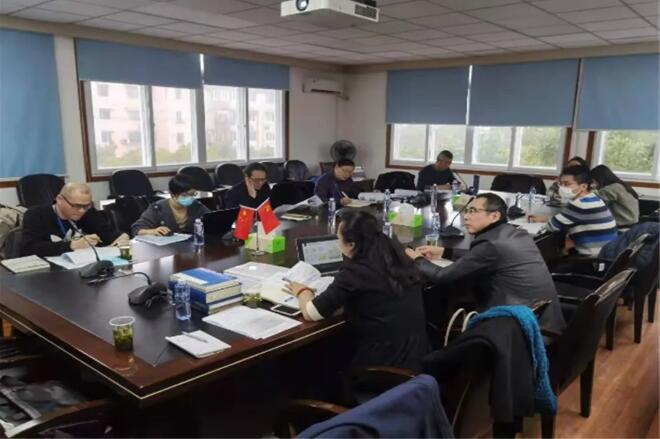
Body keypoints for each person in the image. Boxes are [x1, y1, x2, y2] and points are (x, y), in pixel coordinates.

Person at [285, 210, 429, 370]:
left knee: (319, 360)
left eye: (338, 238)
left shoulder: (354, 272)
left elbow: (311, 313)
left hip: (383, 368)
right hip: (416, 358)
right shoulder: (398, 257)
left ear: (351, 245)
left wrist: (303, 291)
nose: (337, 242)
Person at [405, 193, 565, 332]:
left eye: (473, 211)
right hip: (541, 319)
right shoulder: (514, 233)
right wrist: (445, 252)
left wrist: (416, 259)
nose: (466, 217)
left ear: (494, 216)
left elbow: (442, 276)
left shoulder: (491, 245)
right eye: (467, 211)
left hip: (518, 329)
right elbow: (481, 257)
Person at [21, 182, 128, 257]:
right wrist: (71, 245)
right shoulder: (36, 215)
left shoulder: (89, 212)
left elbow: (106, 234)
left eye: (86, 206)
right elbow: (29, 249)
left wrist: (121, 236)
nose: (82, 211)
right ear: (59, 200)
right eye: (76, 206)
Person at [529, 165, 618, 256]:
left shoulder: (579, 204)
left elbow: (551, 226)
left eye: (567, 184)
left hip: (591, 258)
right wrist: (546, 218)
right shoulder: (593, 197)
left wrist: (546, 220)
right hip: (607, 254)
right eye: (561, 183)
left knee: (546, 252)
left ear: (583, 186)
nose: (562, 187)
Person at [131, 175, 210, 236]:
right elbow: (136, 229)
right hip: (165, 249)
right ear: (172, 194)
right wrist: (152, 231)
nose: (190, 198)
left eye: (192, 194)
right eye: (185, 195)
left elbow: (211, 220)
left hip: (191, 247)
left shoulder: (196, 206)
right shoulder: (158, 208)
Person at [590, 164, 639, 229]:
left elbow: (594, 202)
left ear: (599, 179)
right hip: (633, 225)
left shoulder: (611, 189)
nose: (592, 183)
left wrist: (590, 189)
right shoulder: (621, 185)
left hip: (622, 227)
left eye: (593, 181)